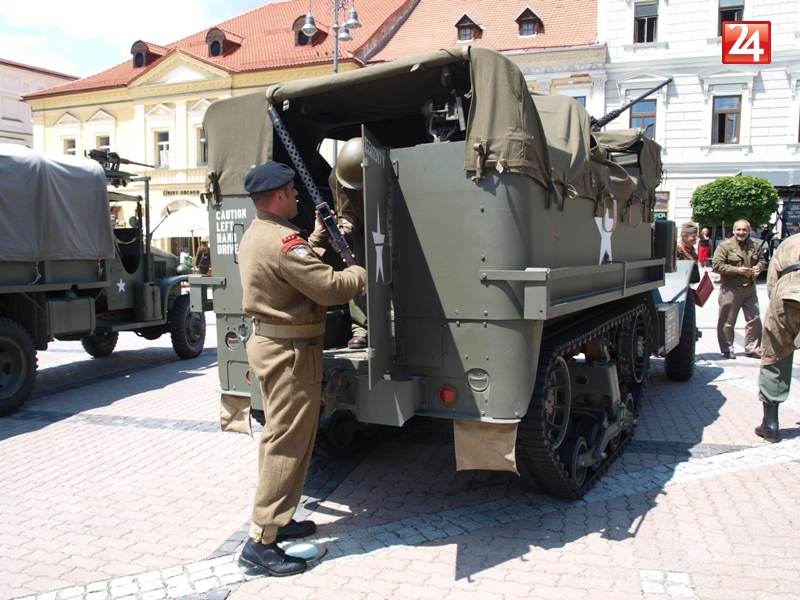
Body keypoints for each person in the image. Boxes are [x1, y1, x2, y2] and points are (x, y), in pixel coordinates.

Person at [236, 161, 366, 576]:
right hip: (290, 353)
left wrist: (316, 237)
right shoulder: (282, 243)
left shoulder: (262, 233)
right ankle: (261, 541)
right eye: (292, 191)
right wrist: (361, 273)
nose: (297, 196)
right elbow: (327, 287)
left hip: (278, 347)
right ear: (278, 196)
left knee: (287, 438)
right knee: (286, 444)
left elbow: (291, 272)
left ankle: (280, 518)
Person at [755, 232, 800, 441]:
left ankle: (770, 424)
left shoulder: (789, 242)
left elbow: (772, 282)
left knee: (774, 357)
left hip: (785, 296)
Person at [330, 137, 368, 349]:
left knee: (391, 267)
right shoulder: (338, 178)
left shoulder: (389, 173)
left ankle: (392, 323)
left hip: (392, 223)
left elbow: (391, 219)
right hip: (363, 225)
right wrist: (343, 231)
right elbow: (347, 212)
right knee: (356, 267)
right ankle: (361, 328)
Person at [712, 219, 765, 359]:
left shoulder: (754, 245)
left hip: (750, 288)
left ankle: (752, 348)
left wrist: (759, 267)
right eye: (739, 230)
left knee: (754, 319)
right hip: (731, 289)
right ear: (734, 230)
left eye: (744, 230)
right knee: (727, 321)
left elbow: (761, 260)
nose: (741, 232)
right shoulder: (725, 246)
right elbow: (716, 265)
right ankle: (727, 349)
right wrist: (736, 270)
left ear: (749, 231)